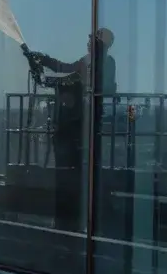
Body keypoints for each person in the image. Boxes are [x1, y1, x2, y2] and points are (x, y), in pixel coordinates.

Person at [23, 28, 117, 231]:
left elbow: (81, 78)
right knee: (74, 171)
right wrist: (45, 60)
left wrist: (55, 76)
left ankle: (80, 219)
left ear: (101, 44)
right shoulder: (89, 61)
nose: (89, 41)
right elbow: (67, 69)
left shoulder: (105, 63)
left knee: (81, 170)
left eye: (92, 39)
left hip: (82, 124)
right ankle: (72, 219)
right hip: (76, 124)